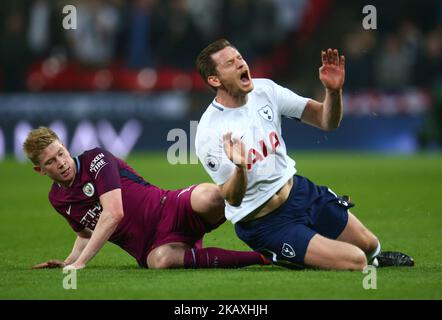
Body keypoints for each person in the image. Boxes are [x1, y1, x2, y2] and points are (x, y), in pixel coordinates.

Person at [195, 39, 414, 270]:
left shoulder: (265, 90)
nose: (240, 64)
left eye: (239, 57)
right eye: (230, 63)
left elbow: (325, 121)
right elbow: (232, 198)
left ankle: (359, 257)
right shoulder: (209, 131)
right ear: (214, 79)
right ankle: (283, 252)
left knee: (369, 247)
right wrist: (240, 167)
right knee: (356, 260)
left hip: (299, 193)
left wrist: (333, 92)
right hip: (266, 222)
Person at [24, 127, 269, 271]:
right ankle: (265, 256)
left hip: (168, 208)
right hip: (150, 248)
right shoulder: (57, 198)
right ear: (40, 170)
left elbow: (113, 214)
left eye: (61, 154)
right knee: (161, 262)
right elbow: (84, 234)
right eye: (51, 162)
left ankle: (272, 202)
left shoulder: (96, 160)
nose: (62, 163)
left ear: (65, 146)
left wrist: (80, 264)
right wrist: (68, 261)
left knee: (209, 196)